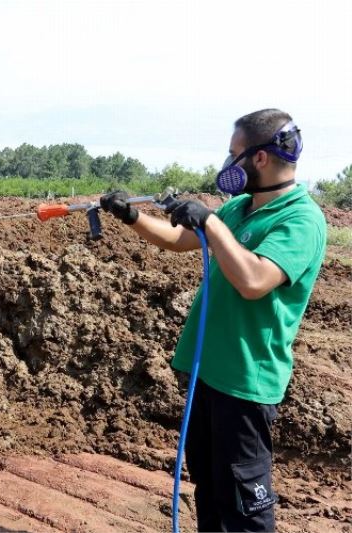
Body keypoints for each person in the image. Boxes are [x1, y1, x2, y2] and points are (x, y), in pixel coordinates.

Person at [99, 108, 327, 532]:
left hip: (245, 382)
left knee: (245, 506)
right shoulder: (242, 206)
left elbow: (255, 280)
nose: (228, 163)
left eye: (234, 153)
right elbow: (180, 240)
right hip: (208, 372)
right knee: (210, 490)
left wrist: (211, 222)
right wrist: (130, 216)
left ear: (259, 158)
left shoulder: (302, 219)